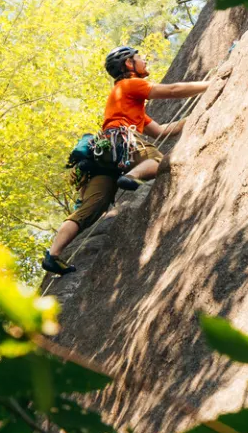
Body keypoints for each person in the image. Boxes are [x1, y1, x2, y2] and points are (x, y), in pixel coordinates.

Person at [41, 45, 213, 276]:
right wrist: (211, 85)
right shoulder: (129, 84)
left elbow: (161, 131)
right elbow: (173, 89)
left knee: (90, 209)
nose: (144, 61)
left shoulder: (128, 103)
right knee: (157, 160)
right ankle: (131, 176)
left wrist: (195, 117)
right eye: (139, 58)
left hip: (103, 156)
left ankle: (53, 255)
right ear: (128, 65)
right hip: (120, 141)